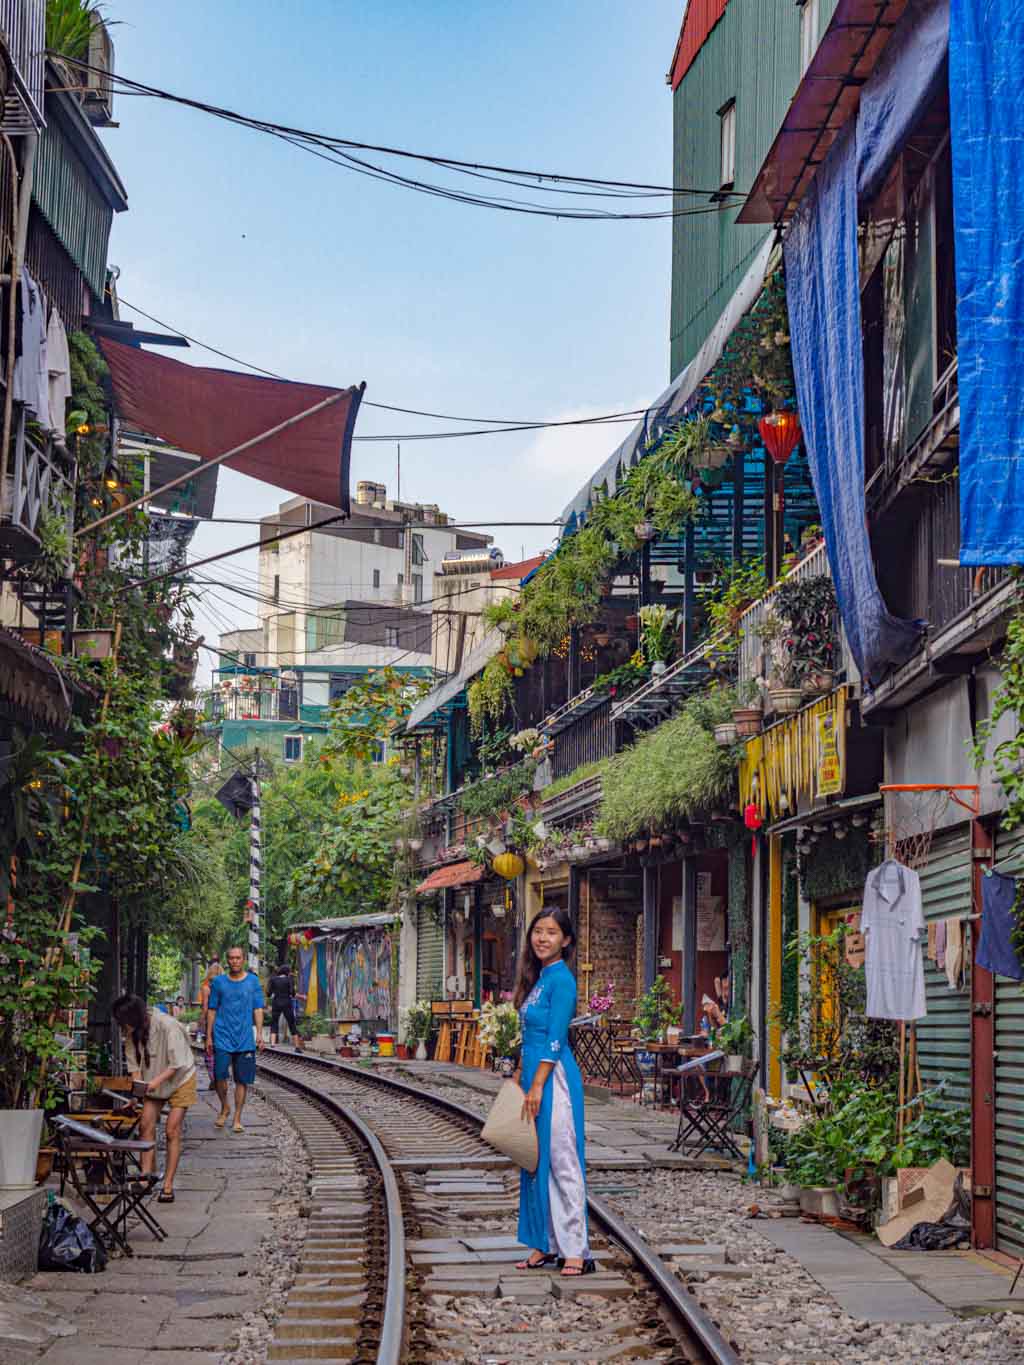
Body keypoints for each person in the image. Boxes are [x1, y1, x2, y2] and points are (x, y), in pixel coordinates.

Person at [513, 907, 593, 1278]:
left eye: (551, 932)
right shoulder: (540, 978)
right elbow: (528, 1035)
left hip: (554, 1077)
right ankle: (544, 1243)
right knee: (534, 1161)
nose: (542, 938)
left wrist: (539, 1084)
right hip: (533, 1074)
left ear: (566, 940)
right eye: (538, 931)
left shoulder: (562, 980)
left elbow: (556, 1037)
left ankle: (575, 1248)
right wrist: (520, 1076)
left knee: (562, 1159)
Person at [111, 992, 196, 1203]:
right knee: (145, 1125)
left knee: (172, 1129)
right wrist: (137, 1095)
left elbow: (176, 1064)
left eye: (123, 1022)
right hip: (153, 1080)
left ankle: (168, 1184)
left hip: (181, 1079)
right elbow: (135, 1070)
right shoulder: (131, 1034)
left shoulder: (168, 1026)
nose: (122, 1027)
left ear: (133, 1017)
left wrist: (152, 1084)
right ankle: (145, 1178)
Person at [206, 946, 265, 1133]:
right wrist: (208, 1036)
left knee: (242, 1080)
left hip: (245, 1038)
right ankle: (225, 1106)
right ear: (227, 960)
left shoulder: (253, 982)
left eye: (238, 958)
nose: (235, 961)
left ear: (244, 959)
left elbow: (258, 1009)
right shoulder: (218, 983)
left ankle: (237, 1118)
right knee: (219, 1076)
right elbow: (212, 1009)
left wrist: (260, 1034)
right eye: (231, 958)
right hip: (222, 1035)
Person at [267, 962, 305, 1050]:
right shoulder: (289, 980)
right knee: (291, 1023)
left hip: (276, 1002)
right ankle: (297, 1046)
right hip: (287, 1003)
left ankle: (272, 1045)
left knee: (274, 1022)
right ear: (287, 972)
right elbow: (292, 993)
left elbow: (268, 993)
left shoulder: (273, 979)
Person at [198, 961, 222, 1086]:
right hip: (223, 1022)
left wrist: (201, 1021)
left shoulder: (206, 988)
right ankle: (220, 1077)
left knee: (209, 1049)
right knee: (221, 1050)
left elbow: (205, 1007)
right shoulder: (225, 986)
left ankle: (213, 1079)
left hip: (211, 1022)